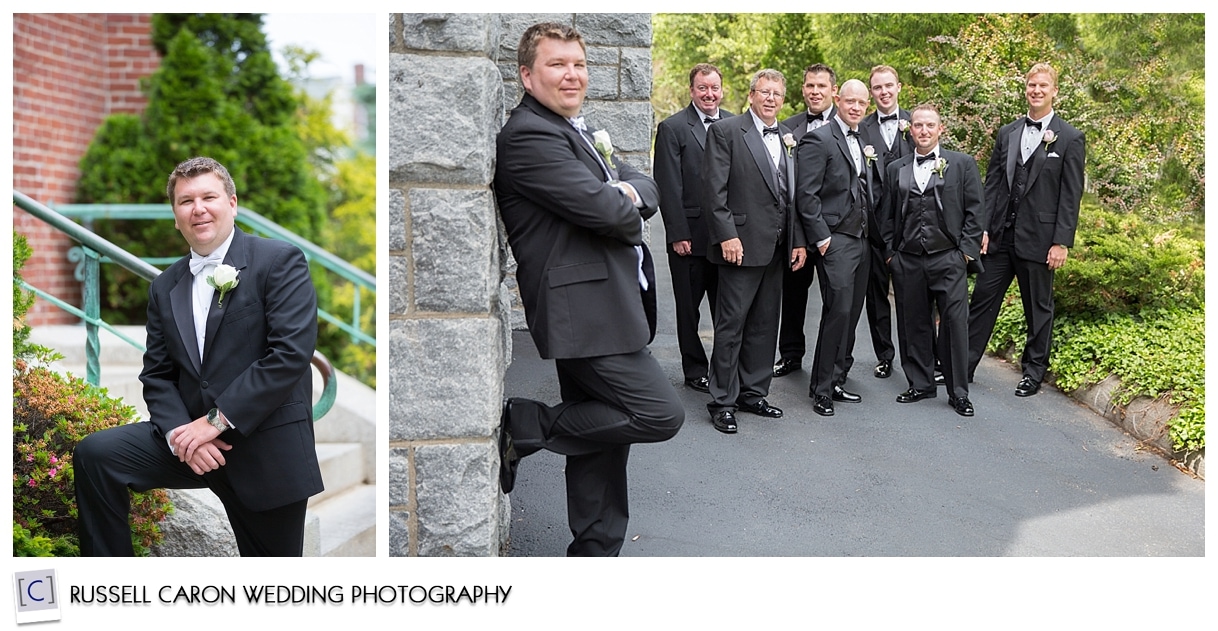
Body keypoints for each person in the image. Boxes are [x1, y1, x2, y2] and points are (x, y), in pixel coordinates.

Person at [493, 22, 683, 556]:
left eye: (578, 64)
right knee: (658, 414)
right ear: (528, 76)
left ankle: (595, 551)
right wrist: (622, 201)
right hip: (585, 313)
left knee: (606, 437)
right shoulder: (529, 136)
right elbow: (611, 213)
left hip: (605, 306)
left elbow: (645, 186)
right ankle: (529, 424)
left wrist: (624, 195)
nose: (571, 74)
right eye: (557, 64)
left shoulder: (571, 127)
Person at [74, 156, 323, 556]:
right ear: (175, 216)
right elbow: (156, 374)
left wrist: (214, 423)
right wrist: (178, 435)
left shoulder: (279, 261)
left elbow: (289, 356)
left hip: (264, 446)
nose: (198, 208)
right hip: (192, 446)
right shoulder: (164, 286)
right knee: (97, 455)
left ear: (232, 203)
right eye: (186, 201)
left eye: (209, 196)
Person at [967, 63, 1085, 397]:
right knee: (981, 302)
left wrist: (1061, 241)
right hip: (1001, 237)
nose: (1036, 90)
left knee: (1038, 309)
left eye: (1043, 86)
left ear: (1054, 91)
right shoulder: (1007, 132)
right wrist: (984, 228)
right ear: (1026, 88)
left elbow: (1070, 193)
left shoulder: (1070, 137)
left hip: (1040, 239)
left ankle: (1033, 372)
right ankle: (963, 367)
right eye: (1031, 85)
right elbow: (992, 185)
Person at [701, 68, 808, 434]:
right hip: (740, 247)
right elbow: (713, 192)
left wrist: (796, 240)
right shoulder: (726, 132)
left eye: (777, 94)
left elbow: (791, 198)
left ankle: (752, 392)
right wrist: (726, 236)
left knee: (764, 325)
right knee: (731, 326)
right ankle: (722, 401)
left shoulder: (789, 137)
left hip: (778, 247)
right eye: (764, 92)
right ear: (751, 95)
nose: (770, 99)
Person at [879, 104, 984, 417]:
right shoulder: (895, 168)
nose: (923, 131)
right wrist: (890, 254)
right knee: (913, 324)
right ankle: (920, 384)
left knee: (954, 324)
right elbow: (885, 215)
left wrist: (965, 252)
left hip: (948, 258)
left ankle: (958, 392)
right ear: (910, 130)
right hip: (908, 258)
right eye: (917, 125)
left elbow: (975, 211)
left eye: (929, 125)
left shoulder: (962, 164)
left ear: (941, 130)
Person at [795, 79, 876, 417]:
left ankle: (838, 379)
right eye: (851, 101)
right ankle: (822, 389)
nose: (856, 107)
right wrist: (822, 238)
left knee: (851, 313)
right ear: (838, 99)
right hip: (836, 240)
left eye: (862, 103)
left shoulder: (863, 139)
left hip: (862, 240)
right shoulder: (820, 137)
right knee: (836, 312)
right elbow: (806, 194)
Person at [654, 63, 732, 394]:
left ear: (722, 89)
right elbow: (668, 186)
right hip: (690, 237)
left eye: (714, 88)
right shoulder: (673, 128)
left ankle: (725, 370)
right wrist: (678, 233)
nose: (709, 94)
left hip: (726, 238)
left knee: (726, 309)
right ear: (691, 90)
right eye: (702, 88)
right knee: (689, 310)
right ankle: (695, 368)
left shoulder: (733, 123)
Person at [773, 63, 837, 378]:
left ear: (833, 91)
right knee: (793, 295)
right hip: (796, 229)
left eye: (821, 86)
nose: (815, 92)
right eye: (810, 86)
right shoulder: (787, 129)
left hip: (835, 231)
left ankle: (836, 364)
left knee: (838, 301)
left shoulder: (851, 127)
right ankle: (791, 354)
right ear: (803, 90)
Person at [858, 65, 914, 381]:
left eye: (888, 86)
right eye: (877, 87)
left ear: (899, 87)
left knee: (912, 296)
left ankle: (918, 356)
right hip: (874, 227)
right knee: (876, 295)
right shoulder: (862, 127)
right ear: (871, 92)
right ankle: (884, 355)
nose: (884, 92)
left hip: (911, 227)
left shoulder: (914, 123)